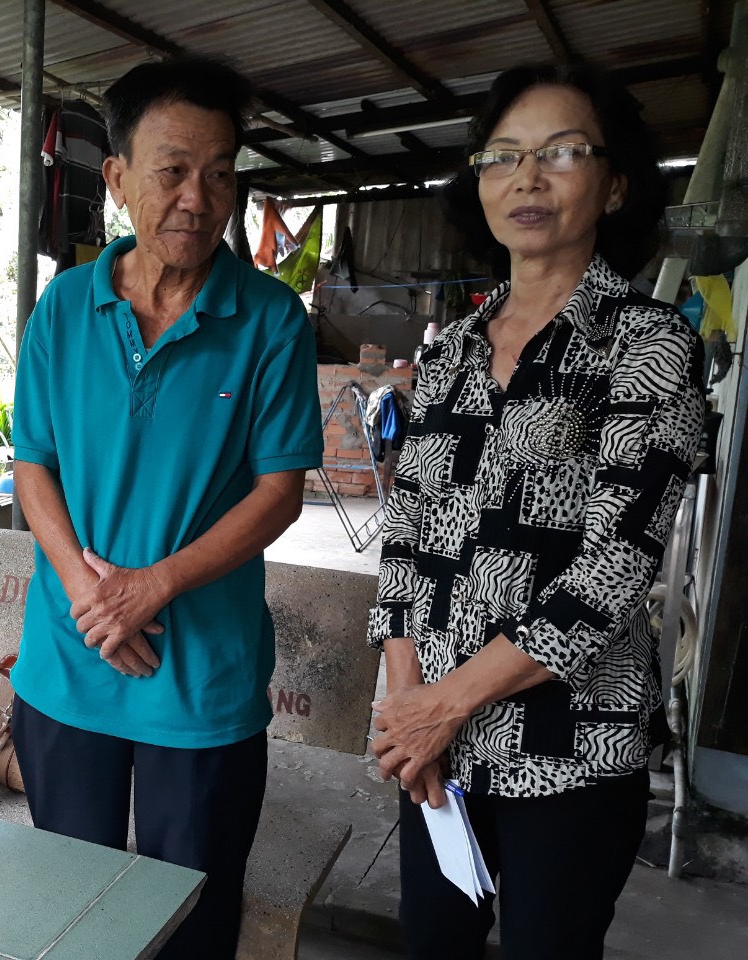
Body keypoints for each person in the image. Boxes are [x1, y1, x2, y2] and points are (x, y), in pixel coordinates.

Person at [368, 65, 704, 960]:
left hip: (572, 751)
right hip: (438, 750)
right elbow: (406, 543)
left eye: (560, 153)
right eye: (504, 156)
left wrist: (444, 705)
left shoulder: (649, 345)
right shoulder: (449, 355)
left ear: (615, 184)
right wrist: (409, 710)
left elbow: (612, 570)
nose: (527, 177)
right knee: (430, 943)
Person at [8, 57, 323, 958]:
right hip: (69, 662)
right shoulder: (63, 308)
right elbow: (33, 466)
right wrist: (90, 594)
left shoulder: (270, 320)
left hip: (202, 681)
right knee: (72, 914)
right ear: (116, 178)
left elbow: (279, 492)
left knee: (192, 917)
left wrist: (153, 587)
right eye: (173, 170)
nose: (198, 198)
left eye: (220, 173)